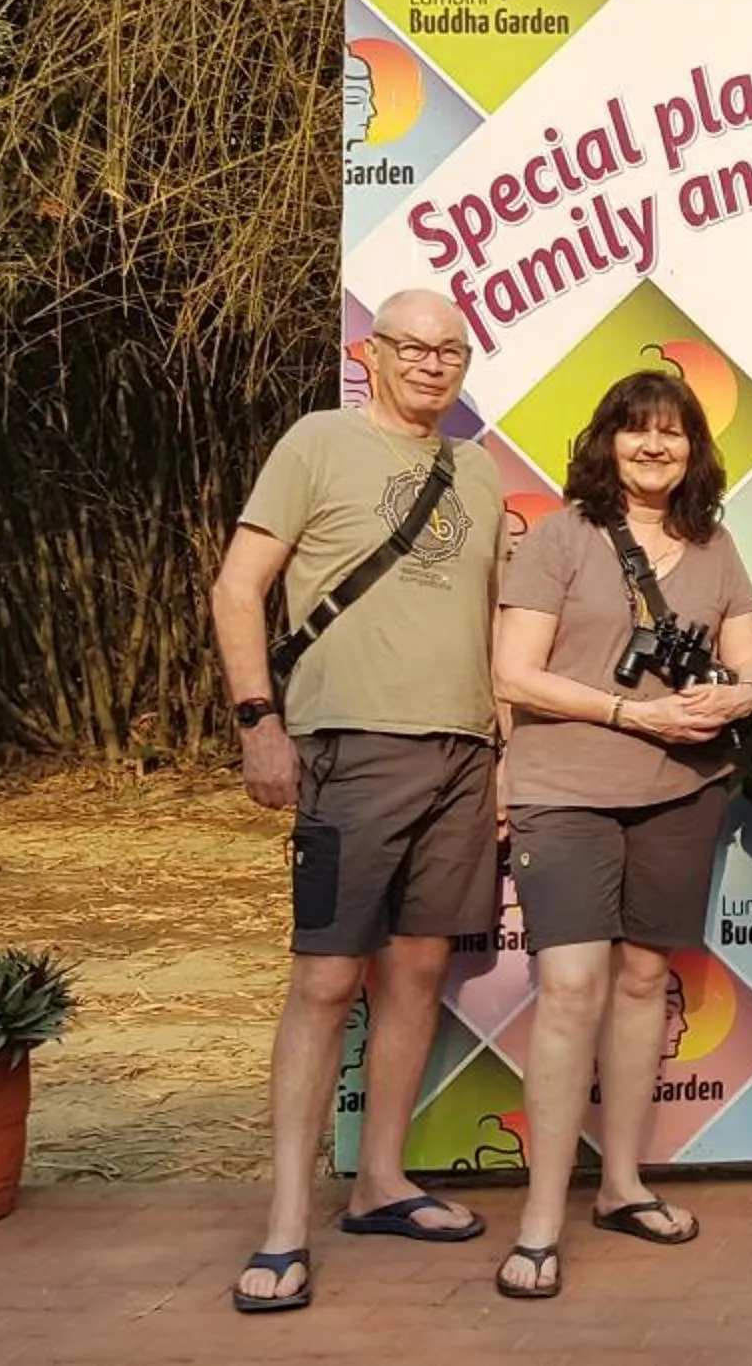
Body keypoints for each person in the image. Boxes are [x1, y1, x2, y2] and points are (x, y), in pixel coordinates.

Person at [210, 288, 503, 1313]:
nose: (433, 363)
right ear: (369, 352)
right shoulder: (317, 442)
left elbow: (485, 627)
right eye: (413, 346)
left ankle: (380, 1182)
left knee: (416, 971)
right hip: (349, 749)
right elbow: (238, 586)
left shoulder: (480, 469)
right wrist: (259, 721)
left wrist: (500, 756)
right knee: (326, 984)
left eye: (452, 349)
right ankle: (287, 1222)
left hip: (465, 753)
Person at [485, 371, 752, 1298]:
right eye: (637, 431)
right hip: (565, 788)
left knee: (646, 977)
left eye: (674, 434)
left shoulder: (717, 544)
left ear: (696, 448)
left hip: (683, 793)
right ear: (607, 441)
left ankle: (620, 1185)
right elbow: (515, 674)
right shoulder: (561, 538)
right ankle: (538, 1221)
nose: (655, 448)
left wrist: (741, 692)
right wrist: (631, 713)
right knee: (572, 987)